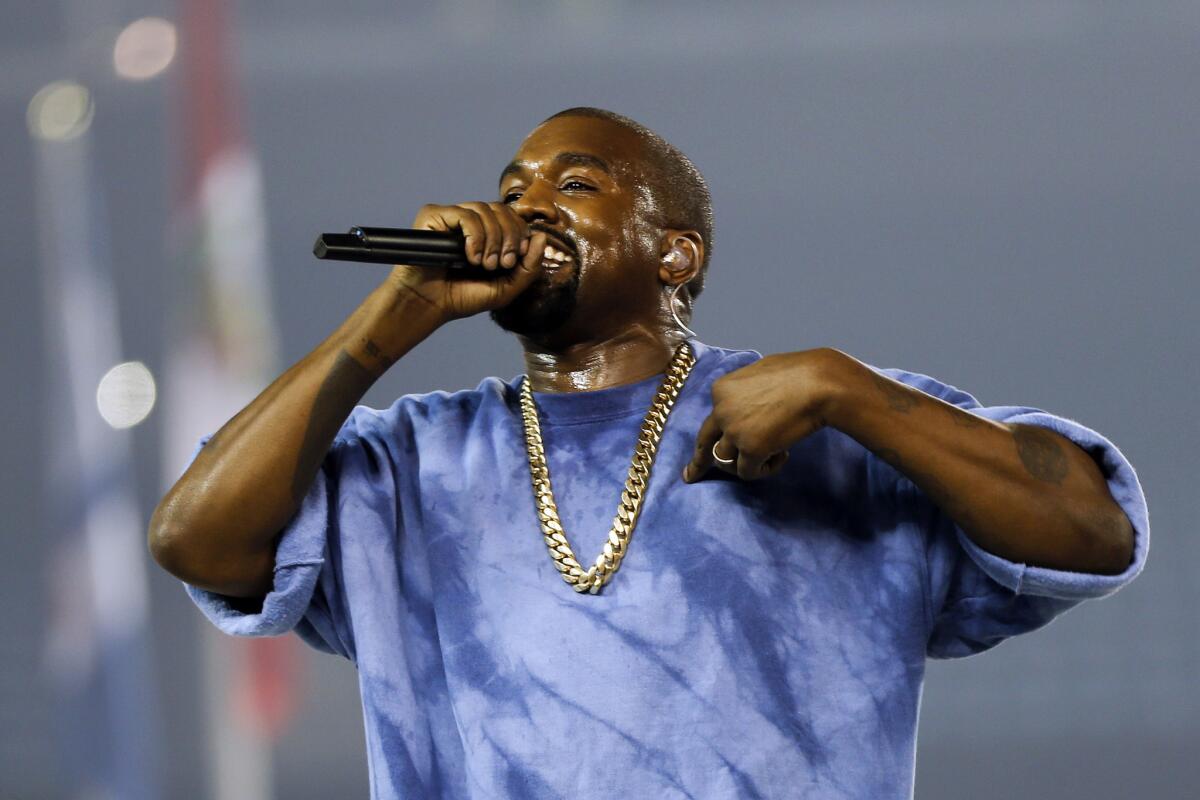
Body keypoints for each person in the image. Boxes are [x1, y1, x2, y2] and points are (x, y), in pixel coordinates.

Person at [149, 107, 1149, 799]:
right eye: (513, 187)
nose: (528, 204)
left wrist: (849, 388)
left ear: (679, 253)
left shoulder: (824, 420)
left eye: (575, 183)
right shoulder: (410, 461)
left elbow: (1091, 530)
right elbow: (197, 539)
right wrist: (391, 315)